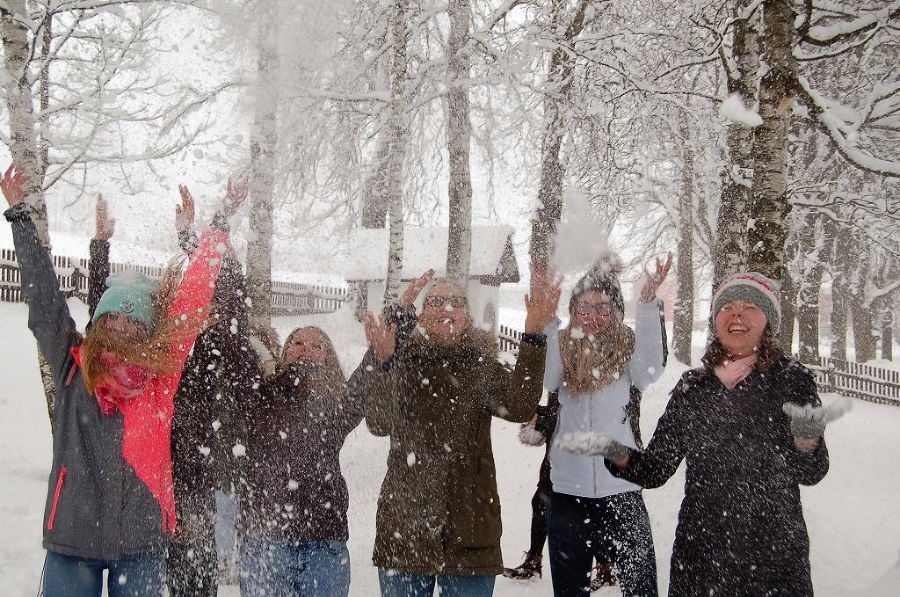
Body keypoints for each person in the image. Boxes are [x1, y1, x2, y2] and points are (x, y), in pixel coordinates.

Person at [1, 164, 233, 596]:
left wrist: (218, 227)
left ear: (148, 332)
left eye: (134, 320)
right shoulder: (73, 365)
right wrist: (19, 217)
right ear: (99, 321)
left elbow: (192, 297)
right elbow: (45, 300)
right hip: (73, 538)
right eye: (114, 316)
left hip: (142, 544)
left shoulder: (161, 378)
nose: (124, 327)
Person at [563, 272, 843, 597]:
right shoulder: (693, 388)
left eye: (750, 306)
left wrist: (806, 440)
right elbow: (655, 469)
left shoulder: (791, 381)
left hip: (773, 557)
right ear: (716, 319)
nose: (736, 314)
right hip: (700, 559)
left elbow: (811, 472)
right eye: (728, 307)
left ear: (768, 320)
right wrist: (613, 449)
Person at [361, 267, 560, 597]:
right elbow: (378, 422)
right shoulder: (402, 362)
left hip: (471, 529)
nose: (446, 309)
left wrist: (535, 335)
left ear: (467, 318)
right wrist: (384, 364)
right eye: (436, 301)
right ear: (422, 315)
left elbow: (521, 406)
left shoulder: (481, 365)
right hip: (406, 532)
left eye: (455, 302)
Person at [544, 251, 670, 597]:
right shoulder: (562, 350)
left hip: (622, 492)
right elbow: (548, 376)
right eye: (584, 309)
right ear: (573, 312)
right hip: (569, 495)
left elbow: (653, 366)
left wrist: (646, 304)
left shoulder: (630, 357)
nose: (593, 317)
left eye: (602, 308)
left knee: (641, 588)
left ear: (616, 311)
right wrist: (547, 322)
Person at [237, 324, 374, 596]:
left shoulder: (337, 402)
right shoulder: (261, 395)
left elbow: (363, 382)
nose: (306, 350)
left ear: (328, 358)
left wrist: (380, 350)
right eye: (297, 343)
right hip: (267, 539)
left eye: (316, 345)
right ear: (284, 352)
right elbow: (236, 358)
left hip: (323, 539)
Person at [503, 391, 616, 590]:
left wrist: (545, 419)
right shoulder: (559, 383)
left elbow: (572, 417)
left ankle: (606, 568)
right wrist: (536, 412)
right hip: (554, 463)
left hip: (577, 465)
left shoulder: (582, 381)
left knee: (585, 513)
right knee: (540, 504)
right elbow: (555, 414)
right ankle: (533, 562)